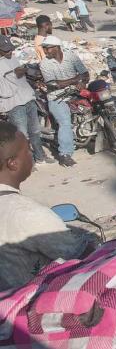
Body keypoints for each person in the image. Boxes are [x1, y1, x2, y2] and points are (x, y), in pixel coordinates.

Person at [0, 122, 86, 290]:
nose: (31, 154)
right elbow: (80, 256)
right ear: (13, 163)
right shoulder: (26, 213)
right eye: (27, 150)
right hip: (29, 306)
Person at [38, 35, 88, 167]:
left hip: (75, 92)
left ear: (57, 47)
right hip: (56, 97)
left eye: (48, 48)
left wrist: (82, 82)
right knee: (65, 122)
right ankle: (65, 154)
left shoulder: (71, 56)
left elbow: (85, 74)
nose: (45, 51)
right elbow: (53, 84)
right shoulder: (45, 63)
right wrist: (75, 80)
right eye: (44, 48)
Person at [0, 36, 46, 164]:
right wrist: (22, 71)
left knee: (35, 131)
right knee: (22, 135)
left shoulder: (13, 58)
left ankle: (40, 156)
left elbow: (21, 74)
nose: (9, 52)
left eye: (10, 49)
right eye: (5, 50)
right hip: (13, 104)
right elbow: (15, 75)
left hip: (27, 98)